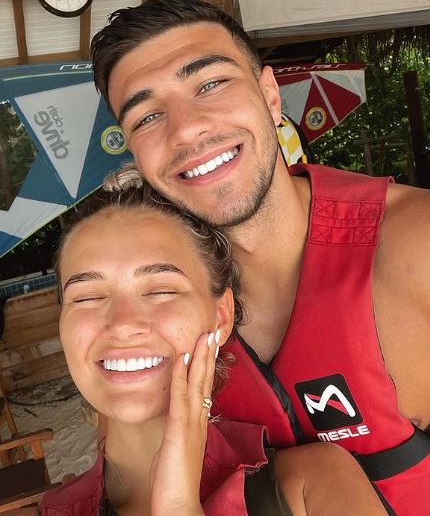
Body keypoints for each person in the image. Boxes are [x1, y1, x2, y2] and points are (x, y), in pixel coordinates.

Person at [90, 0, 430, 514]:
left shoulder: (412, 245)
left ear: (270, 96)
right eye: (147, 116)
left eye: (210, 84)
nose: (184, 129)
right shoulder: (152, 318)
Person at [6, 171, 386, 515]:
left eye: (161, 289)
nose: (122, 325)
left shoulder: (314, 487)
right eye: (87, 297)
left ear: (221, 315)